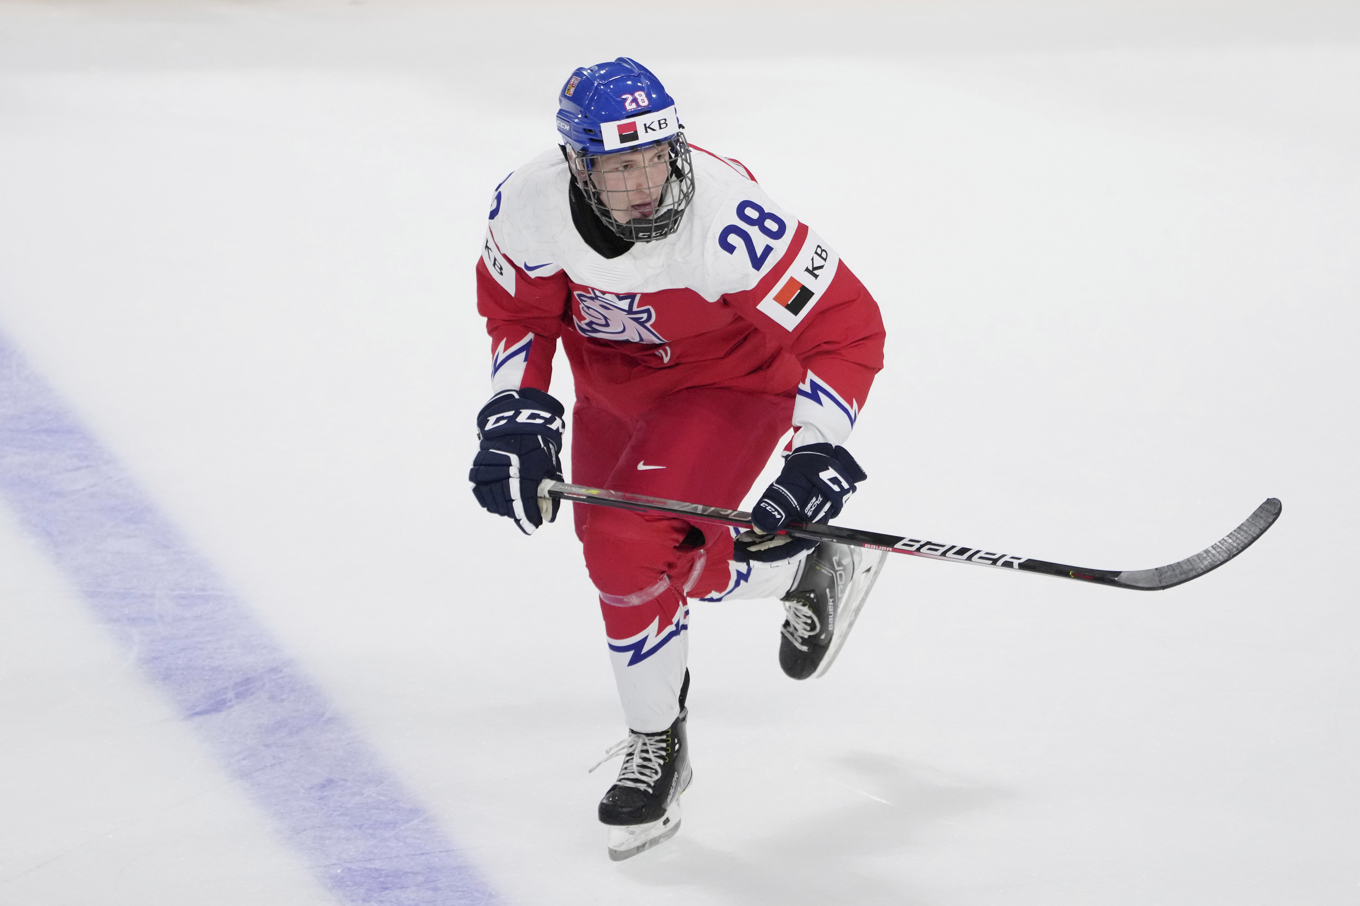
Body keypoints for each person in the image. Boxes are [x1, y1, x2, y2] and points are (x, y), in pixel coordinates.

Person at [469, 57, 887, 860]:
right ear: (577, 165)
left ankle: (656, 744)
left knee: (627, 551)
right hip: (612, 388)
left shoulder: (727, 221)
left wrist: (815, 451)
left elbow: (847, 326)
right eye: (621, 167)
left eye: (657, 158)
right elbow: (518, 314)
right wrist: (515, 415)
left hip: (727, 384)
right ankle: (799, 571)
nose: (647, 186)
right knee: (630, 565)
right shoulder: (528, 206)